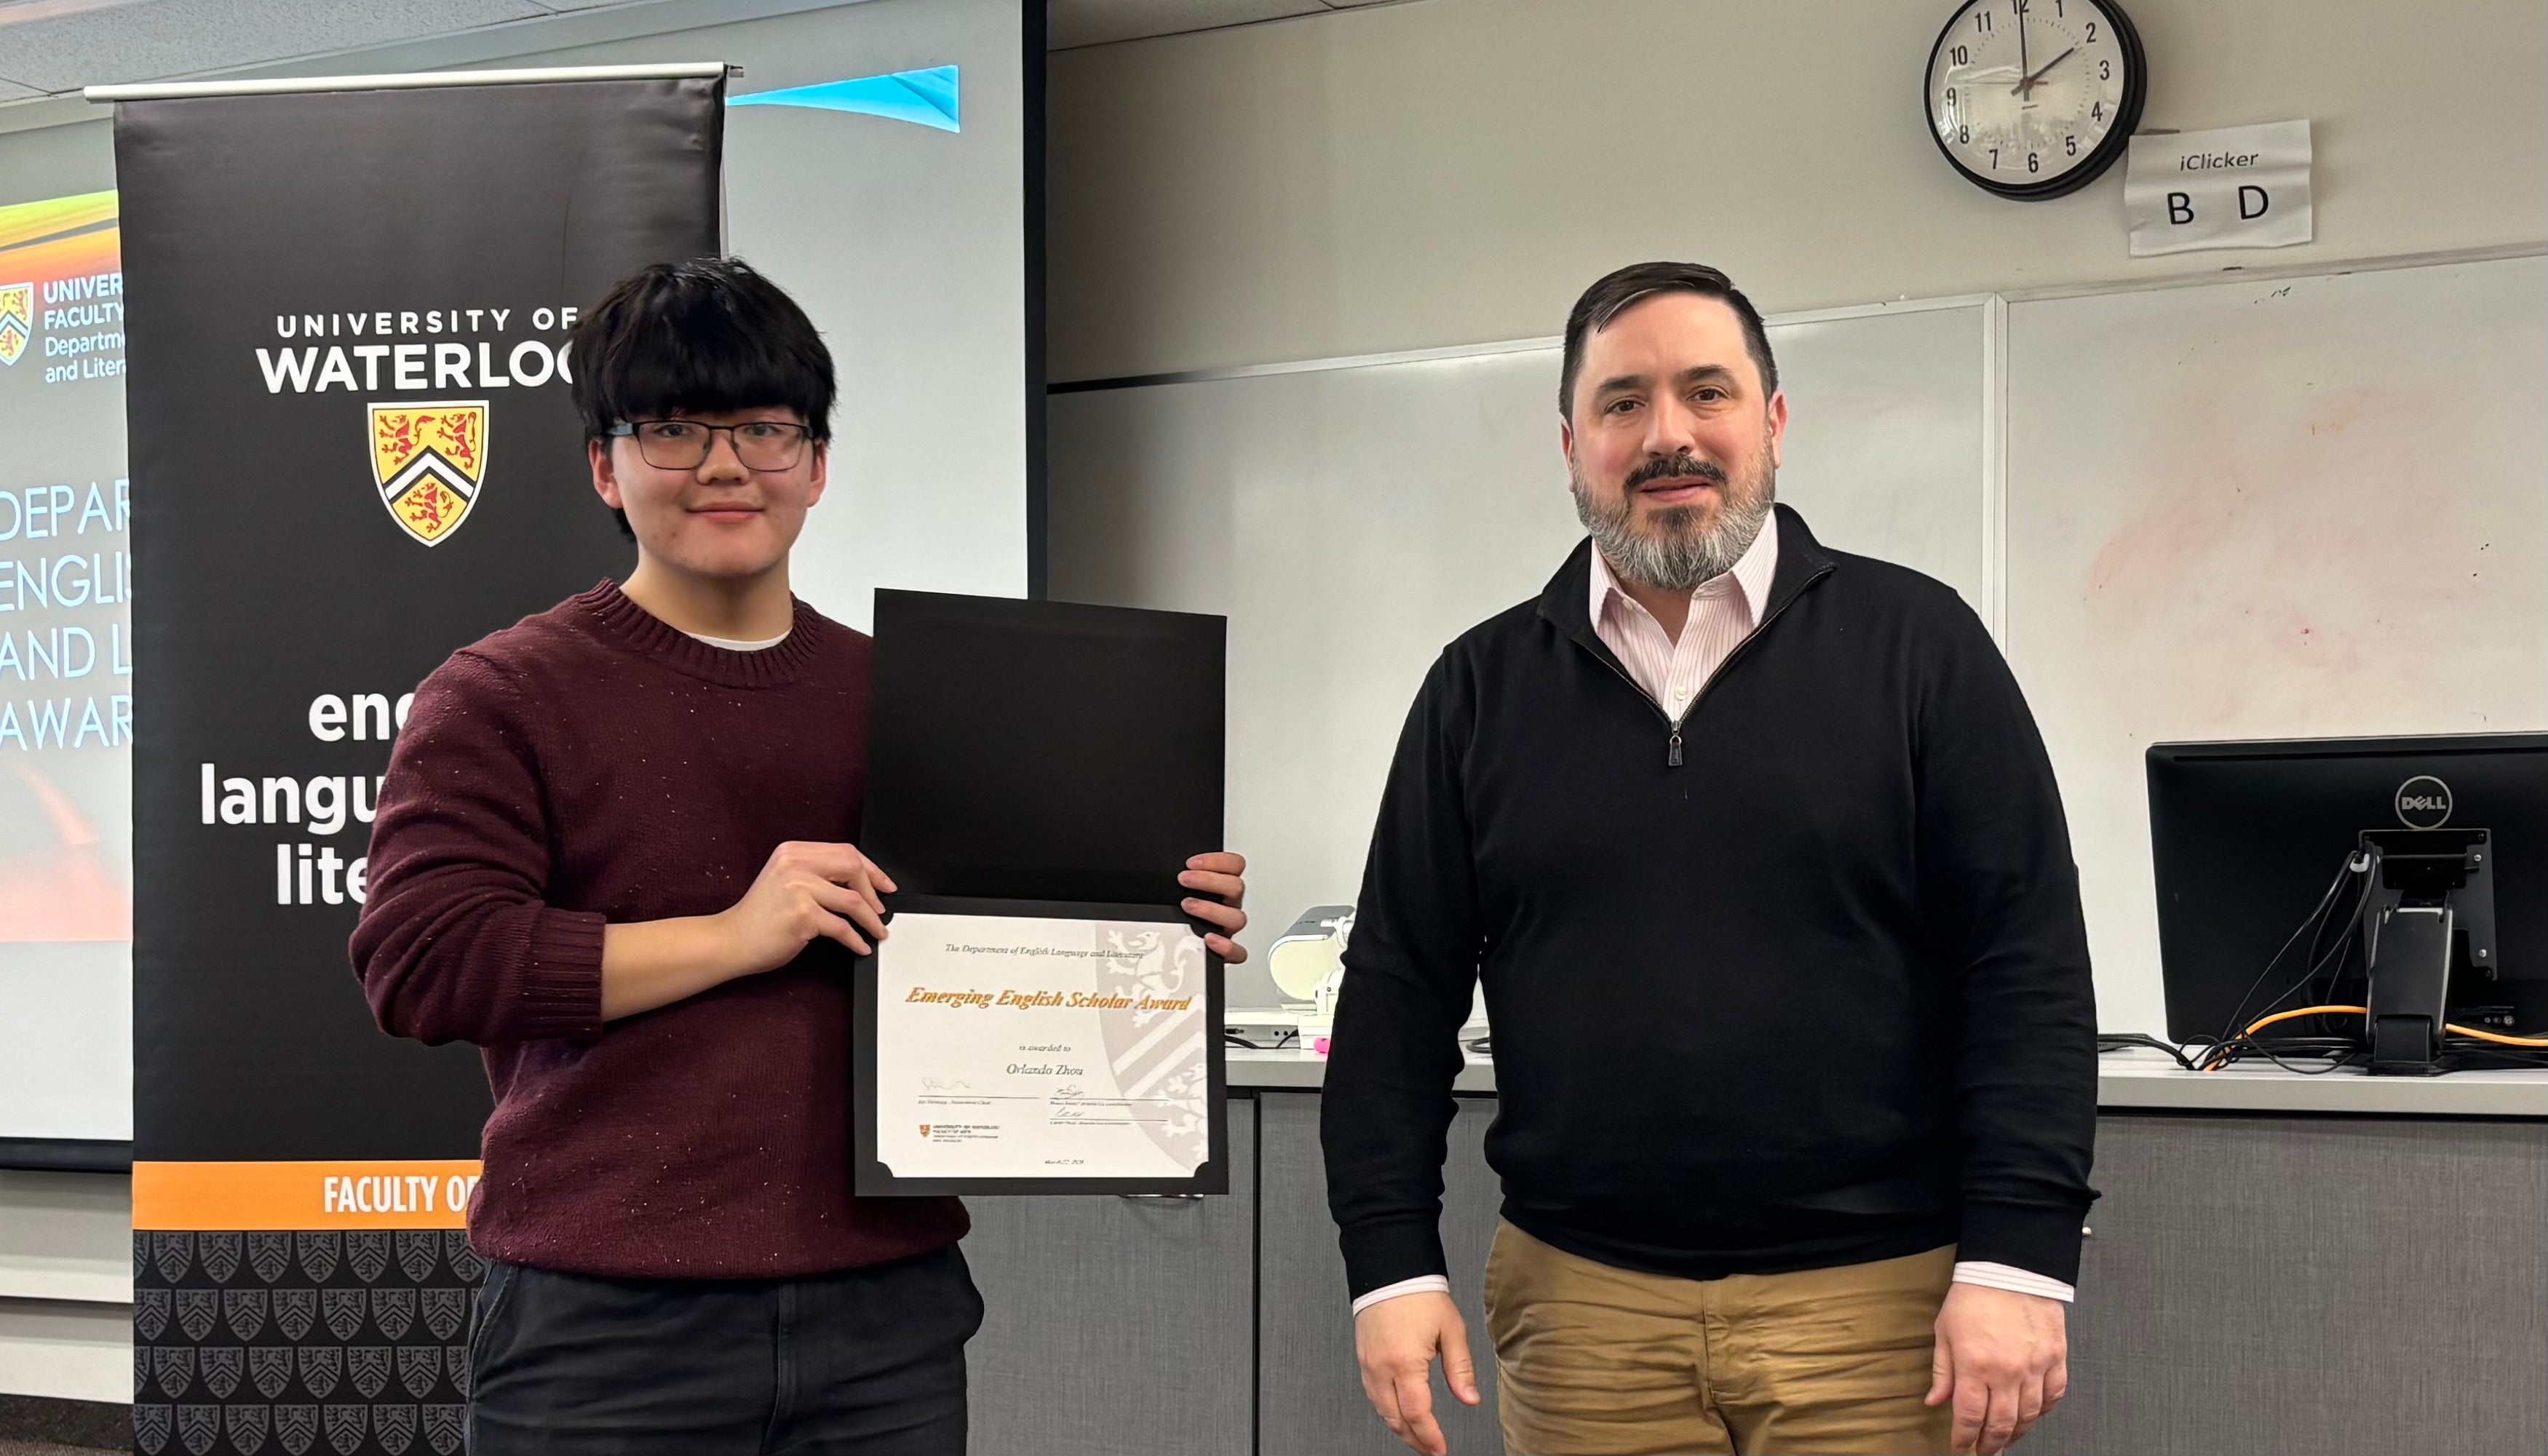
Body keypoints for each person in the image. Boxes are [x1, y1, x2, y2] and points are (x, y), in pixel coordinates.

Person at [349, 258, 1250, 1455]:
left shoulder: (916, 696)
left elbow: (992, 954)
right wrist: (732, 935)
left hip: (885, 1314)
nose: (726, 465)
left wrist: (1149, 924)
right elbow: (425, 964)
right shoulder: (504, 690)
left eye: (766, 428)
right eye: (673, 427)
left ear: (816, 464)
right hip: (606, 1323)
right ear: (603, 466)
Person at [1322, 261, 2095, 1456]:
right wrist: (1388, 1266)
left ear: (1772, 423)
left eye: (1706, 392)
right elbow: (1395, 994)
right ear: (1570, 441)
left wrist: (2019, 1256)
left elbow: (2025, 964)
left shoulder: (1919, 646)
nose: (1666, 435)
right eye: (1622, 402)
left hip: (1880, 1308)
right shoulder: (1478, 688)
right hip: (1581, 1311)